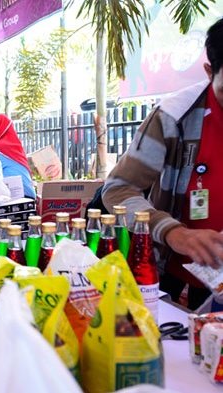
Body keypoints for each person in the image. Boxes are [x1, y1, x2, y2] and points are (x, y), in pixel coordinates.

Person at [102, 17, 223, 310]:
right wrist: (173, 232)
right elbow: (118, 190)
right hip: (176, 275)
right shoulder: (172, 118)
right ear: (209, 72)